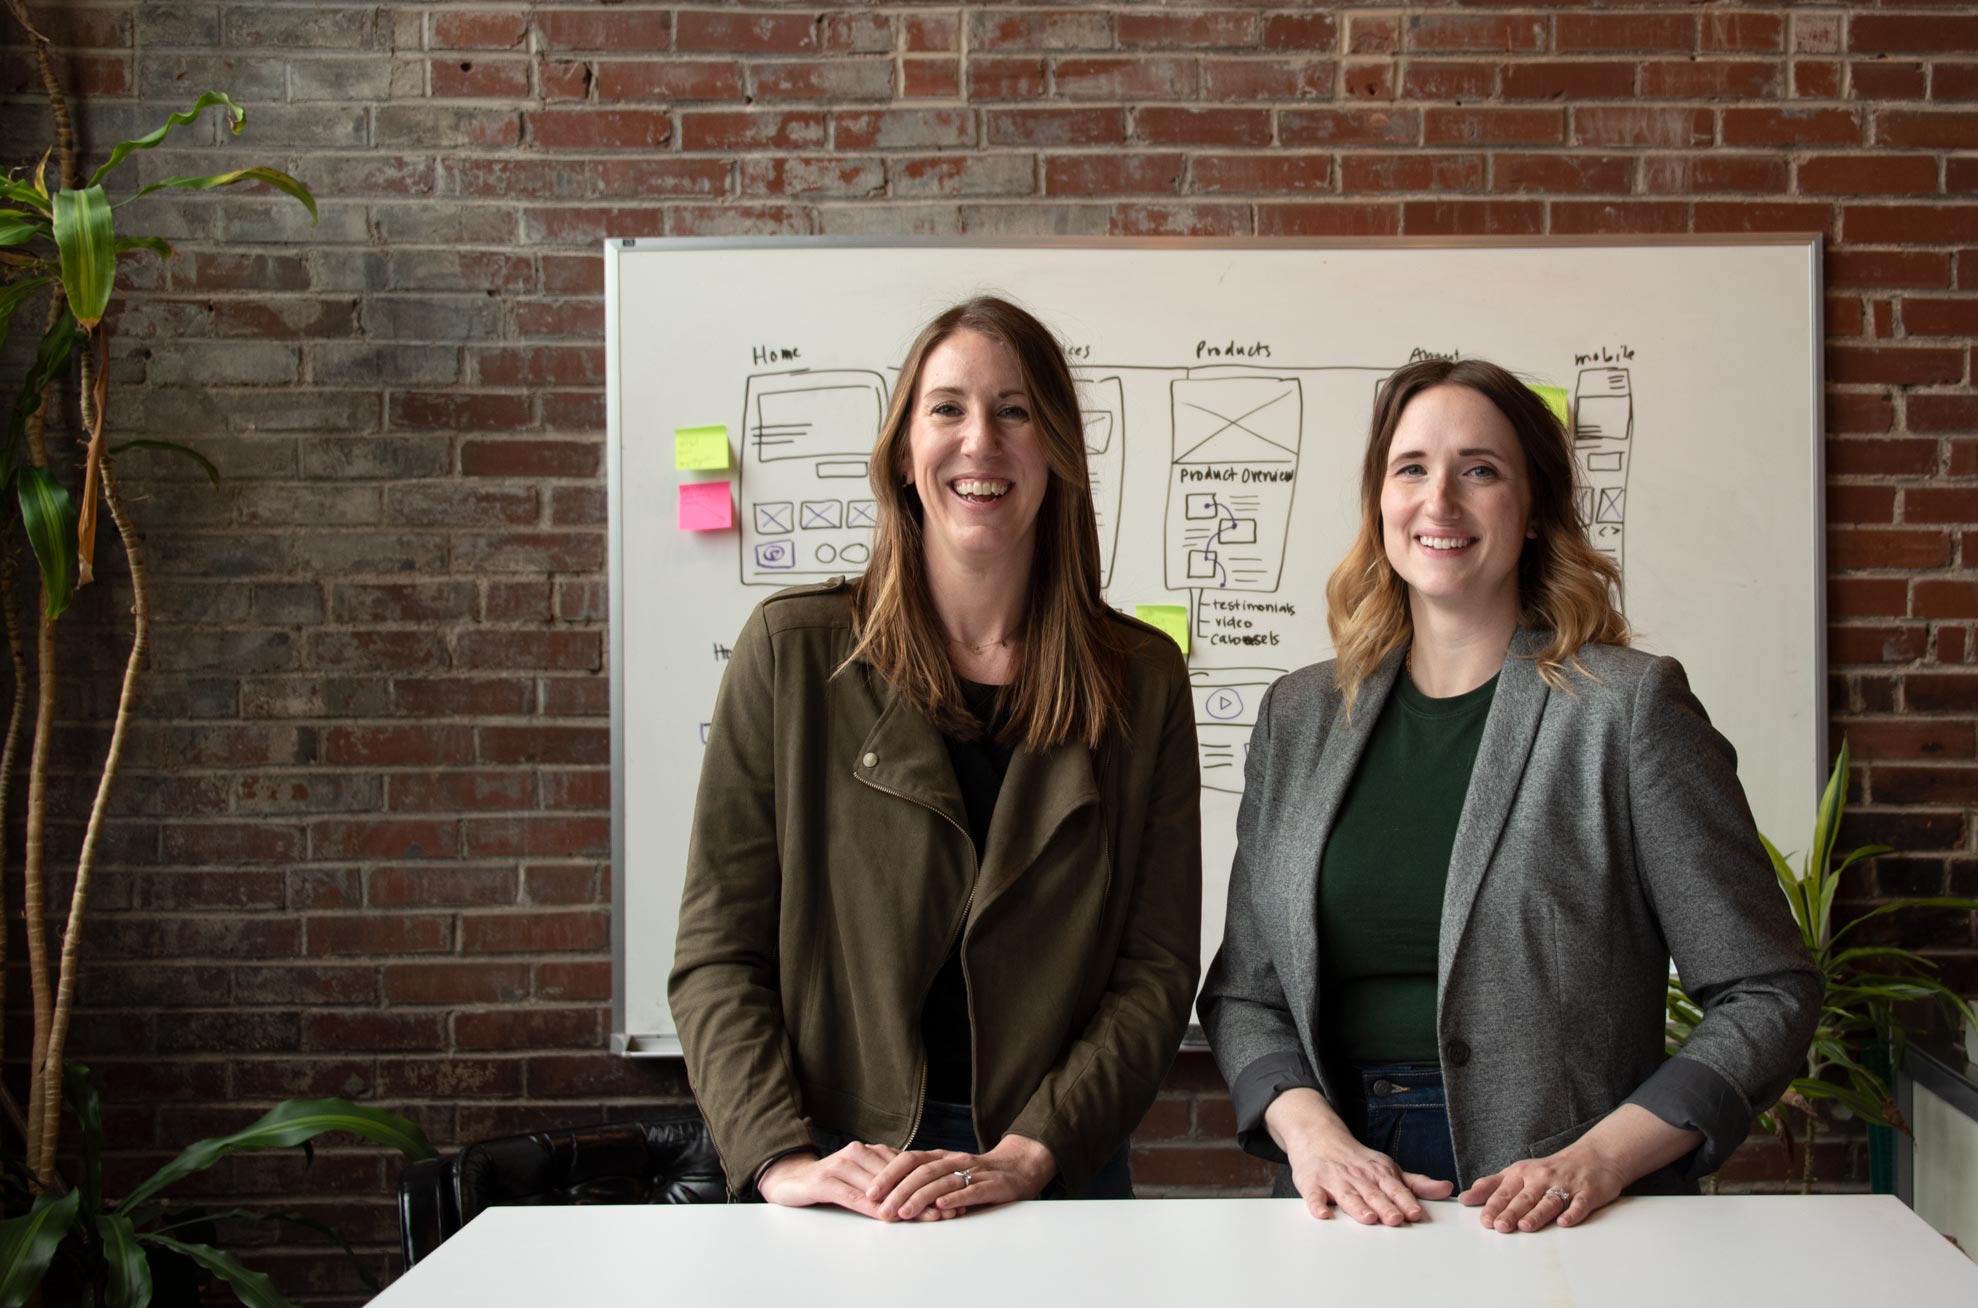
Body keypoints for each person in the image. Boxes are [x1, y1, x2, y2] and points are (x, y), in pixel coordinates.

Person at [1199, 358, 1820, 1233]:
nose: (1439, 500)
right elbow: (1246, 995)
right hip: (1338, 1197)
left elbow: (1767, 988)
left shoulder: (1627, 709)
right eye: (1410, 468)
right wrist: (1313, 1139)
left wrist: (1603, 1156)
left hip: (1562, 1203)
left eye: (1480, 470)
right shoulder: (1299, 716)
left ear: (1533, 512)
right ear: (1380, 503)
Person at [672, 295, 1201, 1222]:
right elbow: (718, 952)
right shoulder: (792, 653)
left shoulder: (1142, 680)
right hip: (847, 1172)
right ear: (904, 450)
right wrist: (779, 1155)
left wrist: (1034, 1150)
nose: (979, 443)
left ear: (1059, 452)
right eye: (947, 408)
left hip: (1056, 1173)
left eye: (1015, 410)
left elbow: (1153, 971)